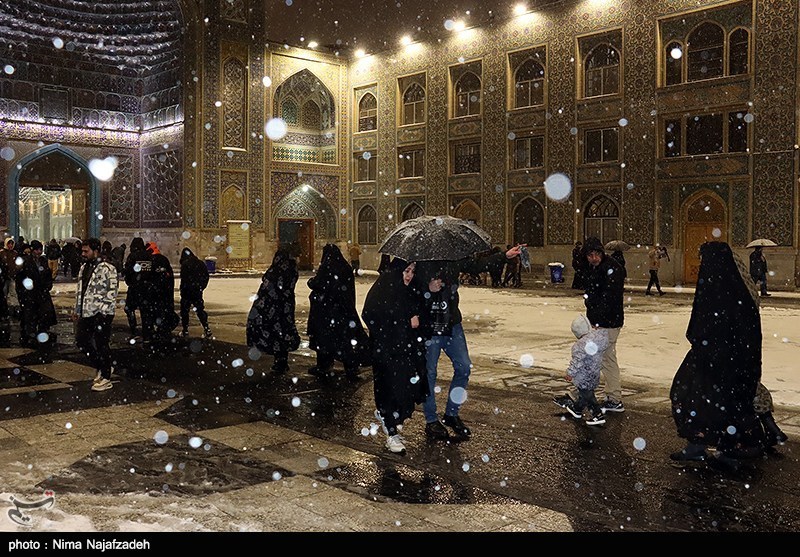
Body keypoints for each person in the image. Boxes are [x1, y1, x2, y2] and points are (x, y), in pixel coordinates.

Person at [669, 241, 767, 463]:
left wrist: (708, 345)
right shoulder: (735, 288)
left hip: (721, 361)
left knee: (702, 400)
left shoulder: (721, 289)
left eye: (704, 259)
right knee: (701, 400)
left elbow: (708, 325)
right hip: (724, 360)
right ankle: (704, 446)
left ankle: (728, 450)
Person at [361, 257, 428, 454]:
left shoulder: (410, 291)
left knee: (407, 392)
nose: (409, 276)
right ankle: (391, 432)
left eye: (412, 272)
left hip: (406, 351)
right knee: (390, 391)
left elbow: (419, 315)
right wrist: (404, 322)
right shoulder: (384, 288)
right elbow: (371, 315)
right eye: (406, 271)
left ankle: (389, 418)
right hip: (387, 352)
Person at [553, 237, 625, 414]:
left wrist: (600, 320)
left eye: (597, 254)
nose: (594, 258)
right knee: (596, 358)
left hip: (608, 323)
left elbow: (610, 298)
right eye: (590, 255)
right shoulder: (595, 268)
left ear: (602, 253)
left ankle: (613, 399)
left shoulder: (611, 269)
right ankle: (580, 395)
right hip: (599, 322)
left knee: (605, 359)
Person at [417, 260, 473, 440]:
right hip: (430, 326)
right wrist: (427, 289)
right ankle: (431, 420)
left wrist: (504, 256)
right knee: (429, 373)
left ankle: (451, 414)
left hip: (452, 323)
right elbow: (407, 288)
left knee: (464, 367)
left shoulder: (453, 258)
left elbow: (474, 264)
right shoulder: (420, 260)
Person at [306, 244, 370, 381]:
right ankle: (351, 367)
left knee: (325, 339)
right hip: (344, 310)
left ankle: (324, 366)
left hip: (327, 312)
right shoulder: (345, 267)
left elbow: (317, 284)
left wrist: (311, 282)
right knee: (345, 339)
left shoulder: (327, 268)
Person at [73, 237, 119, 392]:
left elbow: (112, 291)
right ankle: (102, 366)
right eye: (82, 251)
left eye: (86, 251)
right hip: (86, 311)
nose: (83, 254)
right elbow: (81, 290)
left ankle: (106, 377)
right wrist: (77, 309)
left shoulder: (107, 268)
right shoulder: (84, 267)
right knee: (81, 341)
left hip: (101, 313)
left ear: (96, 251)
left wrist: (105, 311)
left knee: (101, 344)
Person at [246, 248, 301, 374]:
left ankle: (280, 362)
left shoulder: (277, 270)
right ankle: (282, 360)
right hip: (285, 305)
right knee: (283, 331)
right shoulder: (292, 268)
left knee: (276, 331)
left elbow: (271, 284)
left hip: (273, 306)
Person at [557, 314, 610, 426]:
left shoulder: (580, 346)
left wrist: (570, 373)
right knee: (584, 394)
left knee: (588, 396)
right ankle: (577, 409)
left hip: (583, 376)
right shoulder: (598, 339)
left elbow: (577, 361)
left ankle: (597, 414)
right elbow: (605, 337)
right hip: (594, 373)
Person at [14, 240, 56, 347]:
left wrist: (47, 286)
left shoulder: (43, 260)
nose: (39, 252)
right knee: (30, 316)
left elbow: (47, 275)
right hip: (30, 294)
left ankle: (42, 333)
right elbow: (20, 278)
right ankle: (31, 336)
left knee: (44, 314)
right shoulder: (26, 261)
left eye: (40, 250)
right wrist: (23, 293)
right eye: (37, 250)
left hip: (42, 293)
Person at [146, 242, 180, 345]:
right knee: (165, 312)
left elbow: (150, 277)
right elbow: (169, 277)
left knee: (157, 313)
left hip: (156, 294)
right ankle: (164, 332)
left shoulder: (151, 261)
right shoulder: (164, 259)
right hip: (166, 293)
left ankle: (160, 333)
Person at [179, 247, 212, 339]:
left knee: (185, 312)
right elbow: (206, 276)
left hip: (187, 292)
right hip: (197, 291)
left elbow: (184, 279)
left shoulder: (185, 265)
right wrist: (201, 287)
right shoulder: (200, 263)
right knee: (200, 310)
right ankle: (206, 328)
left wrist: (183, 290)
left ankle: (185, 330)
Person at [123, 237, 147, 339]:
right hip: (146, 287)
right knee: (145, 311)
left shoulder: (132, 256)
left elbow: (128, 271)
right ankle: (146, 332)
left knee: (129, 309)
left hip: (135, 287)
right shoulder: (148, 256)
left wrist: (129, 281)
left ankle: (134, 331)